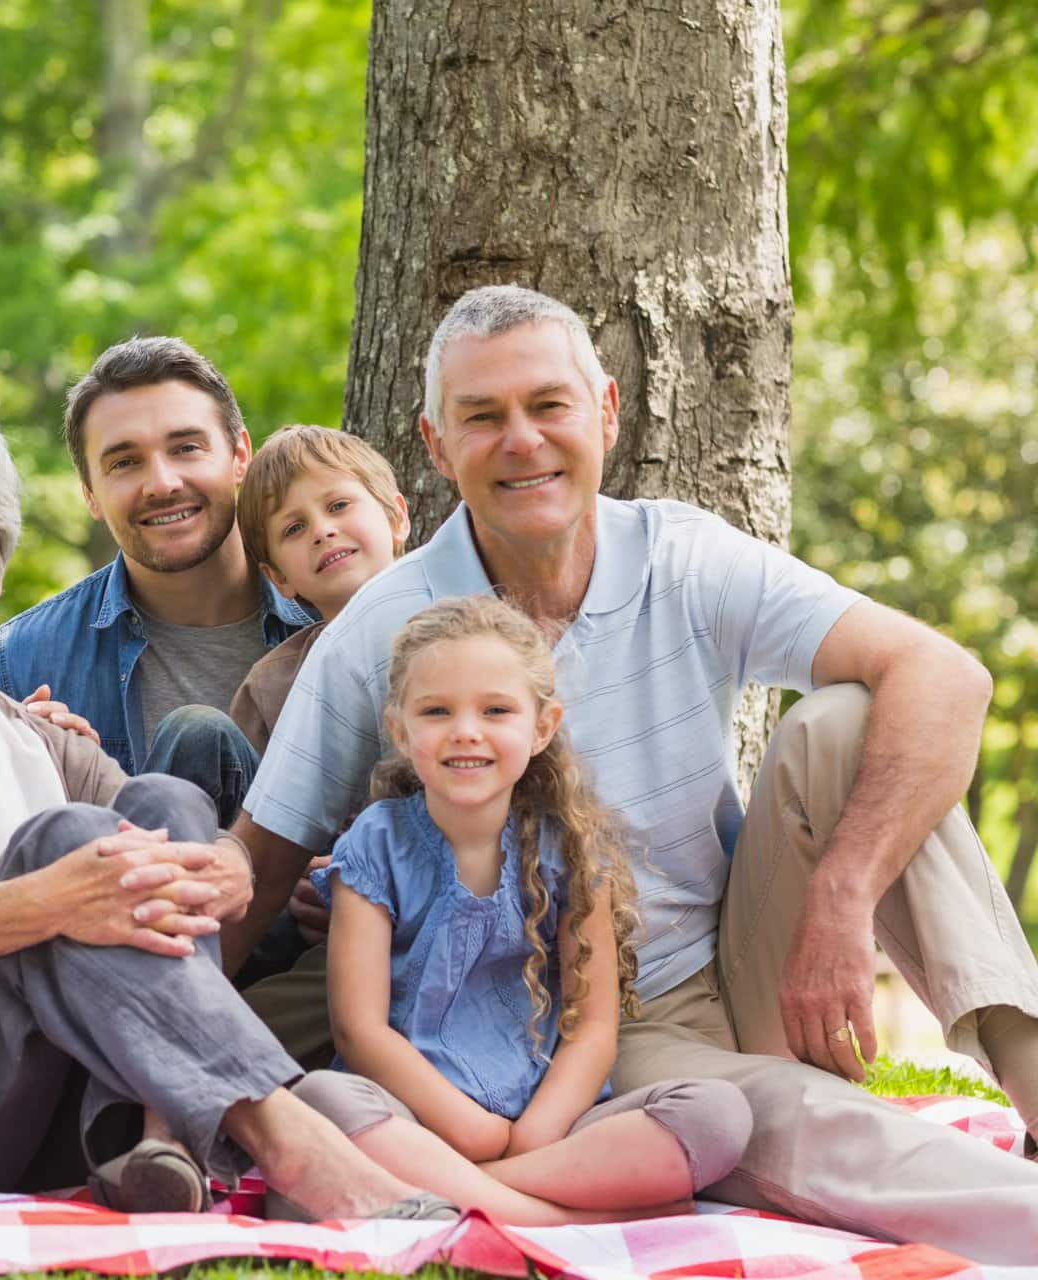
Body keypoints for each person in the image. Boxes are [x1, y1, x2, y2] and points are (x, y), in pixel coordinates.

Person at [225, 284, 1038, 1261]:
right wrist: (170, 1064)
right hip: (578, 1026)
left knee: (864, 717)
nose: (522, 439)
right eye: (483, 417)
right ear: (437, 448)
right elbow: (259, 862)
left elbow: (947, 675)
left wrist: (840, 899)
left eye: (548, 404)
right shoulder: (381, 630)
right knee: (797, 1121)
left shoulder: (683, 556)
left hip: (740, 951)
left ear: (605, 410)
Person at [0, 389, 614, 1225]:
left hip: (66, 1122)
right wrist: (50, 898)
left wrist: (280, 876)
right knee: (69, 840)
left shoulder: (25, 732)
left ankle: (167, 1131)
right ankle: (281, 1132)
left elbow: (180, 840)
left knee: (164, 798)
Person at [305, 595, 750, 1215]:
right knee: (324, 1101)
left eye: (496, 710)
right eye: (436, 710)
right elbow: (359, 1030)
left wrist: (531, 1135)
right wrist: (472, 1132)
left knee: (715, 1116)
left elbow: (594, 1028)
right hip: (418, 1116)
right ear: (400, 730)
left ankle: (470, 1203)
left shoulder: (569, 845)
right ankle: (554, 1218)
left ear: (541, 726)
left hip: (547, 1124)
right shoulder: (376, 844)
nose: (466, 730)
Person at [0, 336, 312, 828]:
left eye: (186, 448)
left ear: (240, 456)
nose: (162, 483)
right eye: (125, 462)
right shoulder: (14, 668)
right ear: (90, 494)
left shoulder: (340, 616)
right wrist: (23, 777)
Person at [223, 424, 410, 1023]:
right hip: (329, 941)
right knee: (259, 1024)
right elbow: (258, 833)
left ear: (396, 516)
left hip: (459, 907)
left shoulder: (468, 630)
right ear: (279, 577)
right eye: (294, 529)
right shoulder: (273, 684)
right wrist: (304, 880)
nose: (322, 529)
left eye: (337, 506)